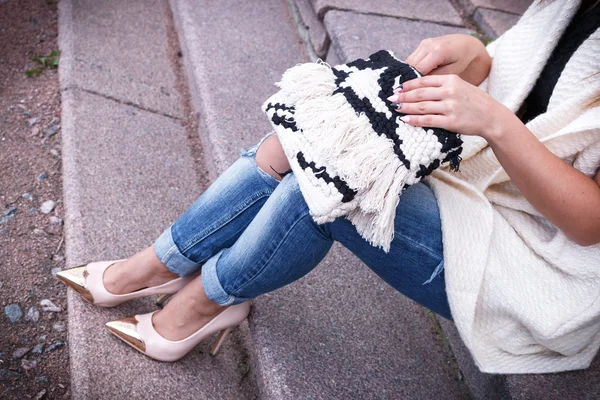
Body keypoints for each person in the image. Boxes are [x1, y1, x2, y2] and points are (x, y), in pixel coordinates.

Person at [57, 0, 600, 373]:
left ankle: (202, 304)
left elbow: (588, 223)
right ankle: (159, 262)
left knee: (328, 189)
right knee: (301, 136)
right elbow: (542, 81)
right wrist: (480, 56)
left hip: (535, 260)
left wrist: (495, 122)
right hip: (485, 184)